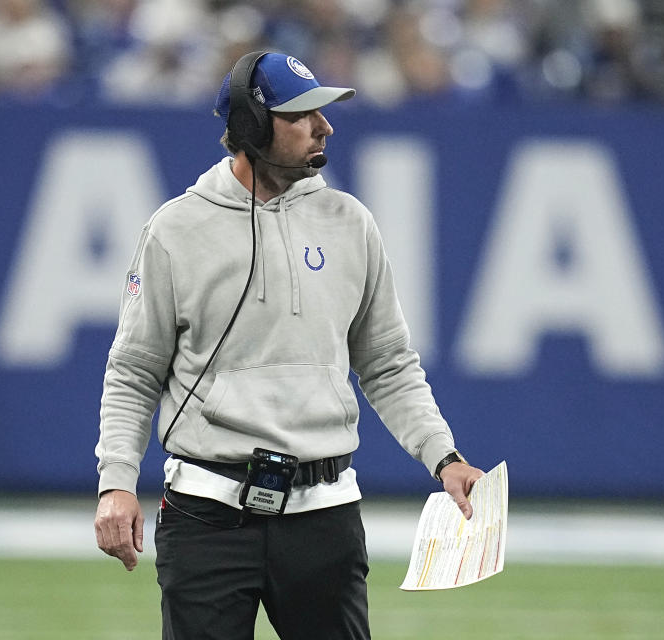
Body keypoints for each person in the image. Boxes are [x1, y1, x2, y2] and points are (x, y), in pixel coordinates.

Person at [94, 51, 484, 639]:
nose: (324, 126)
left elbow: (387, 363)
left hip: (324, 514)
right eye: (303, 114)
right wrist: (117, 482)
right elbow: (134, 371)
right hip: (207, 513)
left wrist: (444, 457)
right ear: (251, 128)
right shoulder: (175, 230)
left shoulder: (350, 222)